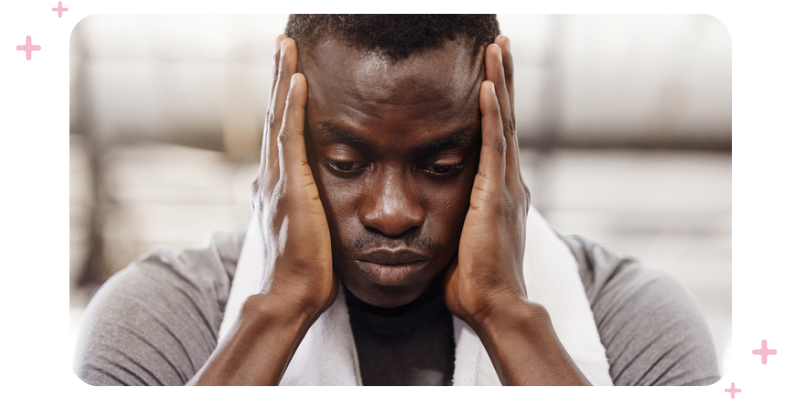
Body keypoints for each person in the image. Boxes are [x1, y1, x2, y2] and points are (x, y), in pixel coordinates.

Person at [73, 15, 720, 386]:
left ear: (501, 138)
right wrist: (275, 311)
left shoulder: (635, 322)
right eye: (346, 163)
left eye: (441, 165)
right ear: (283, 138)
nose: (391, 212)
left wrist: (508, 316)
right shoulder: (161, 320)